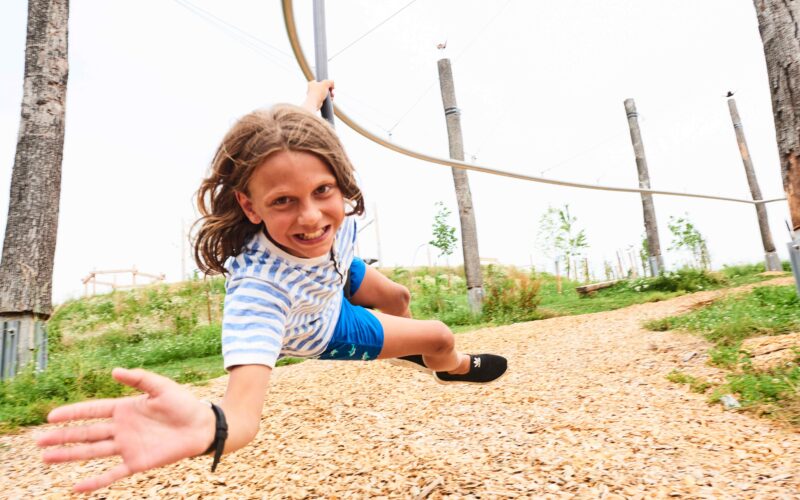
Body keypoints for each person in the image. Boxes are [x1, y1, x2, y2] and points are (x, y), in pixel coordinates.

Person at [35, 81, 508, 493]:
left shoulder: (317, 180)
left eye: (322, 191)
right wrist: (213, 427)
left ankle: (403, 348)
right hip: (319, 322)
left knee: (399, 297)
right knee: (439, 335)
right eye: (283, 201)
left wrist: (312, 97)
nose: (311, 216)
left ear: (339, 179)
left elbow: (301, 132)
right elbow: (241, 415)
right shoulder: (260, 292)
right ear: (251, 206)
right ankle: (447, 367)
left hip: (334, 270)